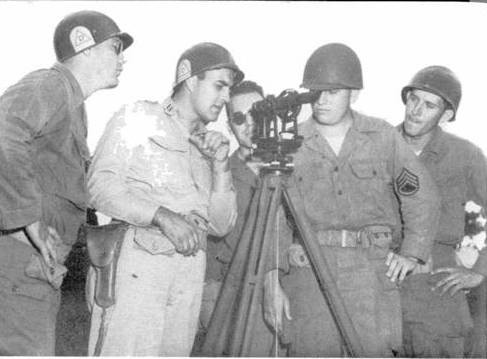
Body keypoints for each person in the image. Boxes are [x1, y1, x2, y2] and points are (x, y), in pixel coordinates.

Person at [264, 43, 440, 357]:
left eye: (332, 92)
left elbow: (421, 195)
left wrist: (412, 254)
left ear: (354, 94)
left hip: (370, 273)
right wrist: (272, 280)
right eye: (316, 91)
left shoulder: (383, 137)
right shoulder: (290, 144)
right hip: (311, 272)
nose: (321, 100)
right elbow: (273, 218)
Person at [87, 42, 242, 356]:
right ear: (188, 78)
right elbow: (98, 186)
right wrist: (160, 214)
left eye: (229, 90)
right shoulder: (139, 117)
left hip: (188, 275)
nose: (226, 98)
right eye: (219, 86)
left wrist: (221, 165)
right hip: (138, 270)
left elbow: (222, 226)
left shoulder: (207, 146)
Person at [0, 10, 132, 356]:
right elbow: (4, 132)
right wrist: (30, 220)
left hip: (38, 266)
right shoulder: (50, 84)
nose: (123, 58)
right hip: (21, 260)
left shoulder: (74, 105)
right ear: (83, 45)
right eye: (115, 47)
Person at [398, 65, 487, 357]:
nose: (416, 111)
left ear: (446, 115)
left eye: (429, 105)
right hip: (378, 280)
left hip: (436, 288)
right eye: (413, 99)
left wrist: (480, 270)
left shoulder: (465, 155)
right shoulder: (380, 144)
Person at [198, 80, 277, 355]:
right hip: (233, 299)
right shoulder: (218, 175)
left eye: (258, 113)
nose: (250, 124)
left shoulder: (293, 168)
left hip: (283, 291)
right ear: (230, 125)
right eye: (240, 118)